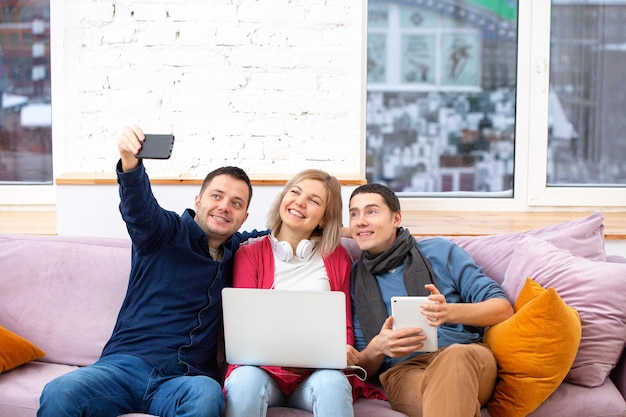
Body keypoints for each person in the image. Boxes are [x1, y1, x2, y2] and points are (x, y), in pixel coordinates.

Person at [38, 125, 267, 417]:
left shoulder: (241, 248)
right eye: (217, 196)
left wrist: (337, 230)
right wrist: (130, 163)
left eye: (236, 203)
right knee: (59, 391)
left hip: (183, 381)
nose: (224, 207)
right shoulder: (162, 232)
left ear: (244, 216)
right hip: (123, 369)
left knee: (207, 393)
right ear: (198, 201)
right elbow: (138, 207)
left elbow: (280, 233)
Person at [346, 183, 514, 417]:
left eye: (371, 211)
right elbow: (361, 368)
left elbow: (503, 309)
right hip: (404, 372)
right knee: (448, 398)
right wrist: (377, 347)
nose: (360, 221)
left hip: (468, 356)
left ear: (396, 218)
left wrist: (449, 312)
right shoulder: (355, 279)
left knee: (455, 358)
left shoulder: (440, 252)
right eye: (354, 213)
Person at [223, 169, 355, 417]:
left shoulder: (338, 258)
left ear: (325, 218)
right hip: (262, 373)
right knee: (245, 380)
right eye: (295, 192)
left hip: (315, 376)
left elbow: (344, 330)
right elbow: (244, 333)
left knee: (333, 383)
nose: (299, 202)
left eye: (314, 200)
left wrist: (343, 350)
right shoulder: (249, 255)